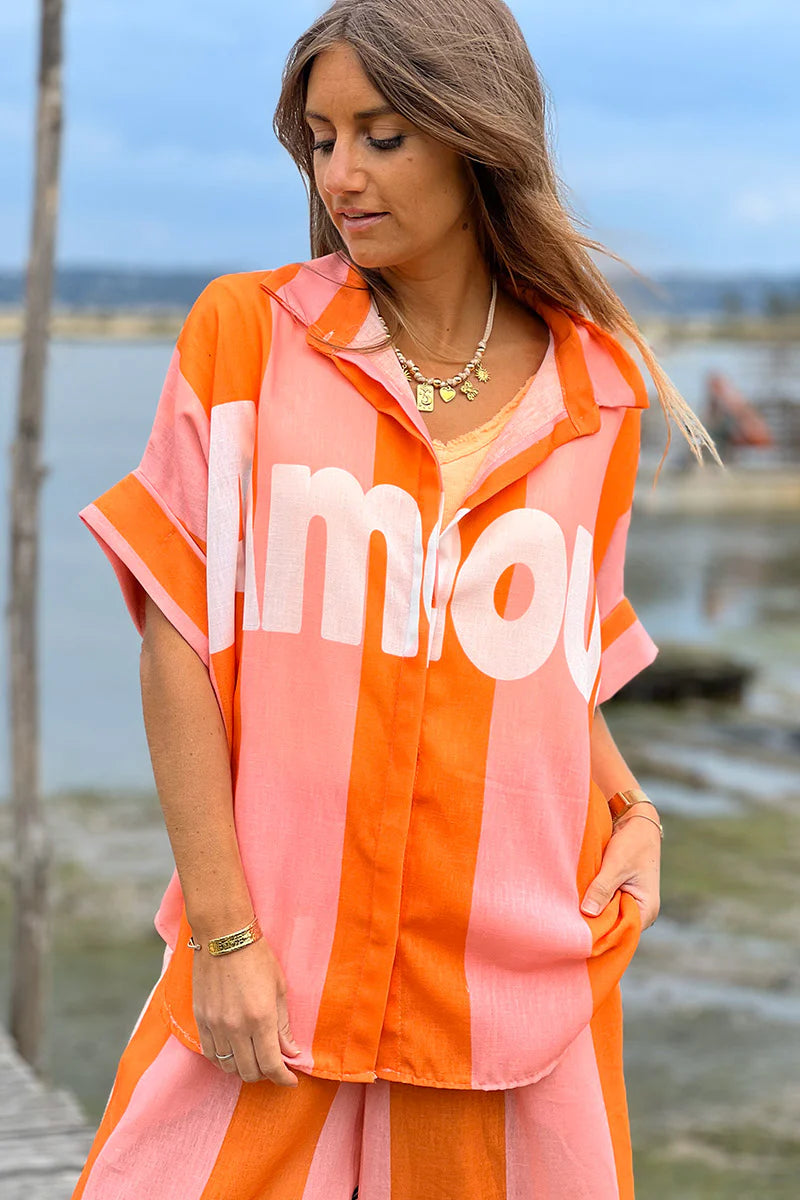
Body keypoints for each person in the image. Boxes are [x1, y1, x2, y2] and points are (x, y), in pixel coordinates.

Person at [71, 2, 720, 1197]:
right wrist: (222, 933)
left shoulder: (600, 391)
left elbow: (551, 669)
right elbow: (177, 642)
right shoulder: (245, 341)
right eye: (321, 140)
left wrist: (633, 809)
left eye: (380, 136)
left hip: (507, 991)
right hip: (275, 978)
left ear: (474, 137)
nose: (341, 176)